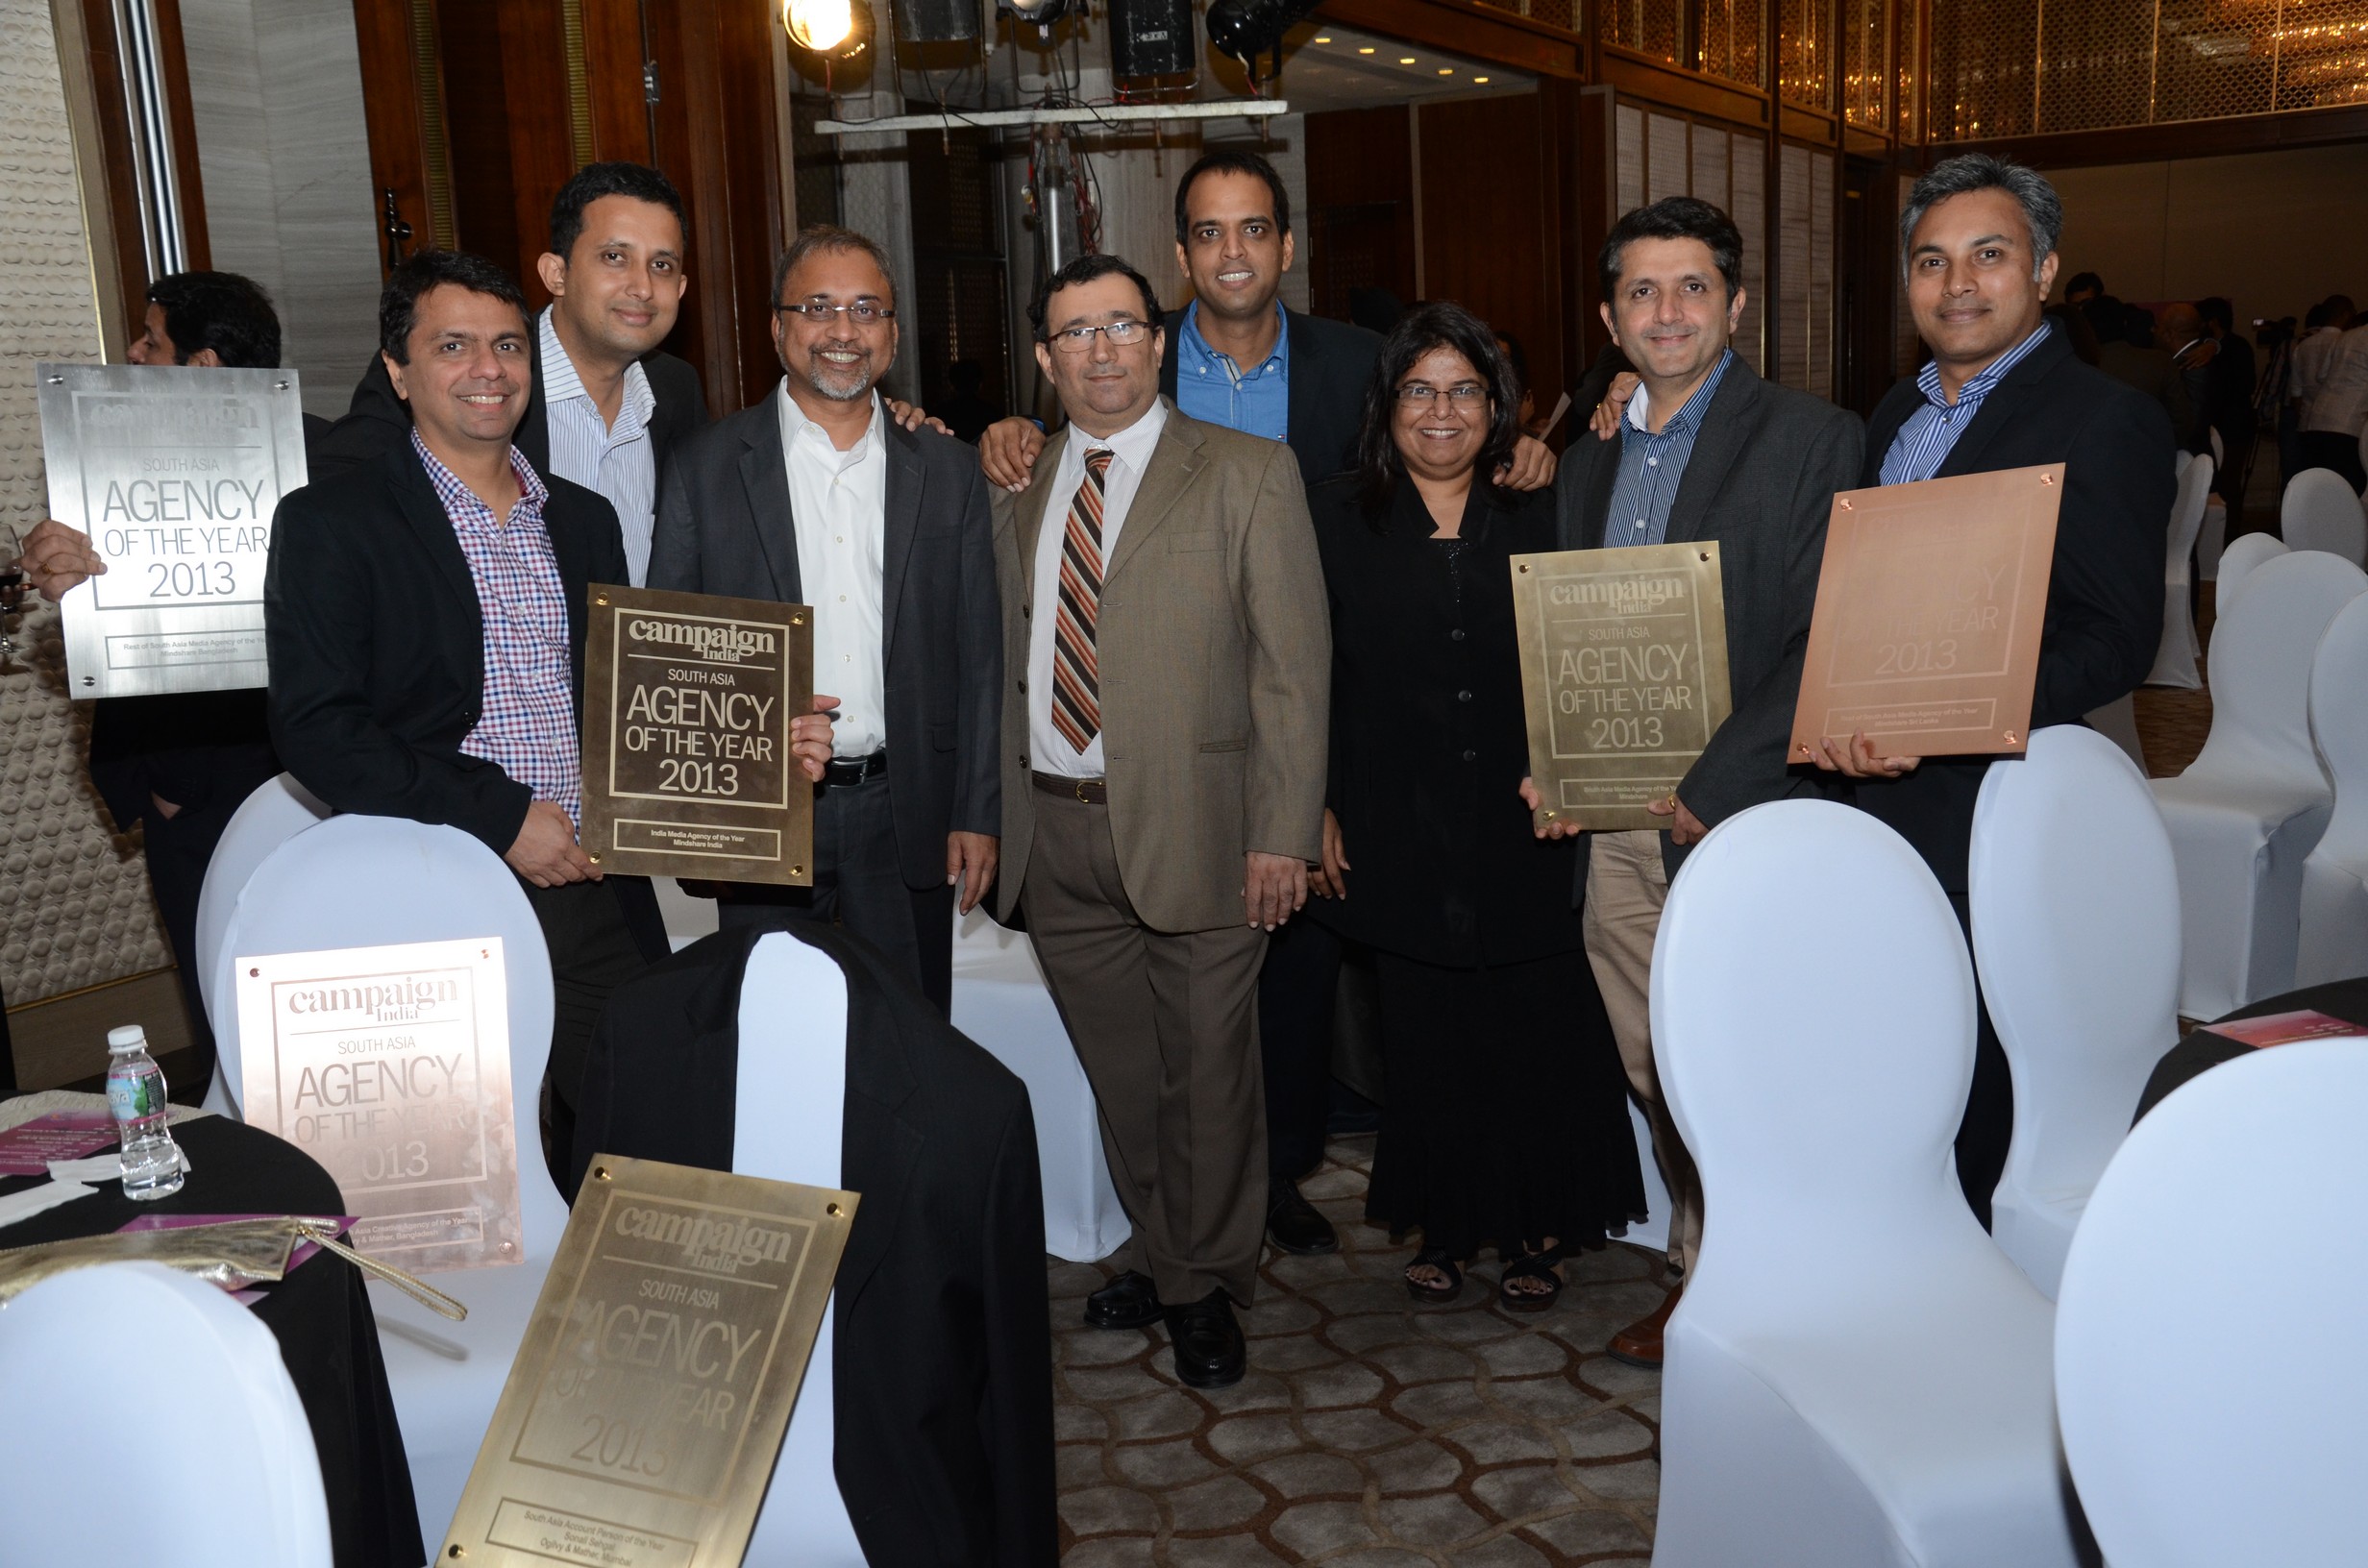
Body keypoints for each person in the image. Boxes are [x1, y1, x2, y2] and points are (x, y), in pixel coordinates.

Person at [261, 251, 835, 1174]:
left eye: (507, 345)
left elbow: (631, 701)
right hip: (435, 882)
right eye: (453, 346)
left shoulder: (581, 518)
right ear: (399, 371)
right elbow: (320, 732)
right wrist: (500, 819)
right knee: (465, 1167)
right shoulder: (332, 522)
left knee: (650, 1136)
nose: (488, 369)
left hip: (590, 886)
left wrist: (761, 747)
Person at [1529, 196, 1863, 1365]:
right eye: (1641, 290)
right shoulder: (1587, 460)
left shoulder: (1813, 437)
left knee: (1747, 1057)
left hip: (1743, 814)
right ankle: (1707, 1262)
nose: (1665, 311)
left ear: (1735, 304)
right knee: (1657, 1060)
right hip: (1615, 825)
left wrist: (1716, 781)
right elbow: (1569, 638)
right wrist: (1555, 762)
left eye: (1690, 287)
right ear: (1609, 318)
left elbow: (1825, 634)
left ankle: (1752, 1278)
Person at [1813, 155, 2171, 1228]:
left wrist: (1950, 715)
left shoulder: (2103, 418)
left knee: (1981, 1072)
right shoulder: (1895, 411)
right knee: (1896, 1045)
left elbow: (2115, 641)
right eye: (1931, 261)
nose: (1956, 284)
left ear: (2045, 270)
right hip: (1871, 789)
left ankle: (1971, 1266)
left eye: (1988, 255)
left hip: (1989, 804)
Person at [991, 252, 1328, 1389]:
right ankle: (1172, 1252)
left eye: (1122, 326)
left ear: (1158, 339)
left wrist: (1282, 833)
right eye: (1074, 333)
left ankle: (1201, 1287)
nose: (1101, 350)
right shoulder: (1015, 482)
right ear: (1046, 361)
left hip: (1207, 830)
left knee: (1210, 1077)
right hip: (1054, 833)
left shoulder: (1245, 471)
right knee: (1128, 1078)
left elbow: (1294, 672)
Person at [1309, 301, 1640, 1314]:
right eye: (1419, 390)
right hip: (1396, 816)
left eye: (1464, 390)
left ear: (1498, 407)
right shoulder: (1334, 517)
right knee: (1429, 1032)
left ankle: (1539, 1225)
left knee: (1537, 1028)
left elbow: (1598, 649)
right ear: (1387, 405)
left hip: (1530, 814)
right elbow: (1301, 673)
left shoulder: (1546, 506)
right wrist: (1314, 805)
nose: (1441, 411)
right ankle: (1447, 1221)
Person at [566, 922, 1055, 1564]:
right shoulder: (637, 1036)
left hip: (883, 1514)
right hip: (646, 1480)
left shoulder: (973, 1109)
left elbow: (1015, 1412)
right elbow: (590, 1294)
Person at [647, 225, 1000, 1012]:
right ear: (778, 328)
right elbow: (672, 657)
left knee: (907, 1043)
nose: (844, 329)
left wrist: (978, 812)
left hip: (907, 809)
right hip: (761, 807)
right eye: (819, 308)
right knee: (772, 1040)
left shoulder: (948, 471)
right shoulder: (705, 467)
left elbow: (981, 655)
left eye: (866, 309)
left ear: (893, 334)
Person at [19, 269, 321, 1089]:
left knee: (319, 1004)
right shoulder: (109, 464)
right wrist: (64, 572)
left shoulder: (326, 462)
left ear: (203, 366)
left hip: (307, 781)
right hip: (184, 795)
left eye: (150, 340)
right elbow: (117, 614)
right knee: (225, 1017)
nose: (131, 351)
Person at [313, 162, 708, 581]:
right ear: (556, 274)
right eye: (615, 257)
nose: (642, 287)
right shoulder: (457, 376)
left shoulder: (676, 389)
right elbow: (333, 499)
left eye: (661, 265)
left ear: (681, 288)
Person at [2087, 297, 2194, 446]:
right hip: (2155, 452)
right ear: (2125, 323)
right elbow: (2181, 421)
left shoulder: (2082, 367)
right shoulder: (2159, 361)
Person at [2301, 297, 2368, 493]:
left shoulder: (2346, 336)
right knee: (2348, 492)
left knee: (2320, 490)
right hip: (2349, 426)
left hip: (2317, 421)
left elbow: (2322, 375)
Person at [2286, 300, 2346, 487]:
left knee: (2310, 479)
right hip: (2339, 426)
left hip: (2308, 424)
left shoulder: (2304, 345)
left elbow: (2296, 391)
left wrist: (2301, 419)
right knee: (2338, 482)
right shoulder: (2345, 342)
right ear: (2345, 315)